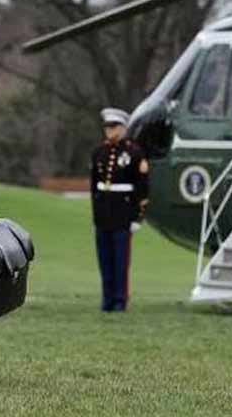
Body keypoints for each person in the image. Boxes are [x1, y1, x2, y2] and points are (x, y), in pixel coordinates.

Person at [89, 107, 149, 312]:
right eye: (107, 127)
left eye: (113, 127)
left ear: (123, 128)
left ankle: (119, 300)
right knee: (105, 261)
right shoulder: (99, 152)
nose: (109, 131)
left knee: (120, 262)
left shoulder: (133, 152)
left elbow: (142, 187)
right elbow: (94, 187)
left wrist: (137, 217)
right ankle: (107, 299)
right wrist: (95, 215)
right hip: (103, 215)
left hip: (123, 214)